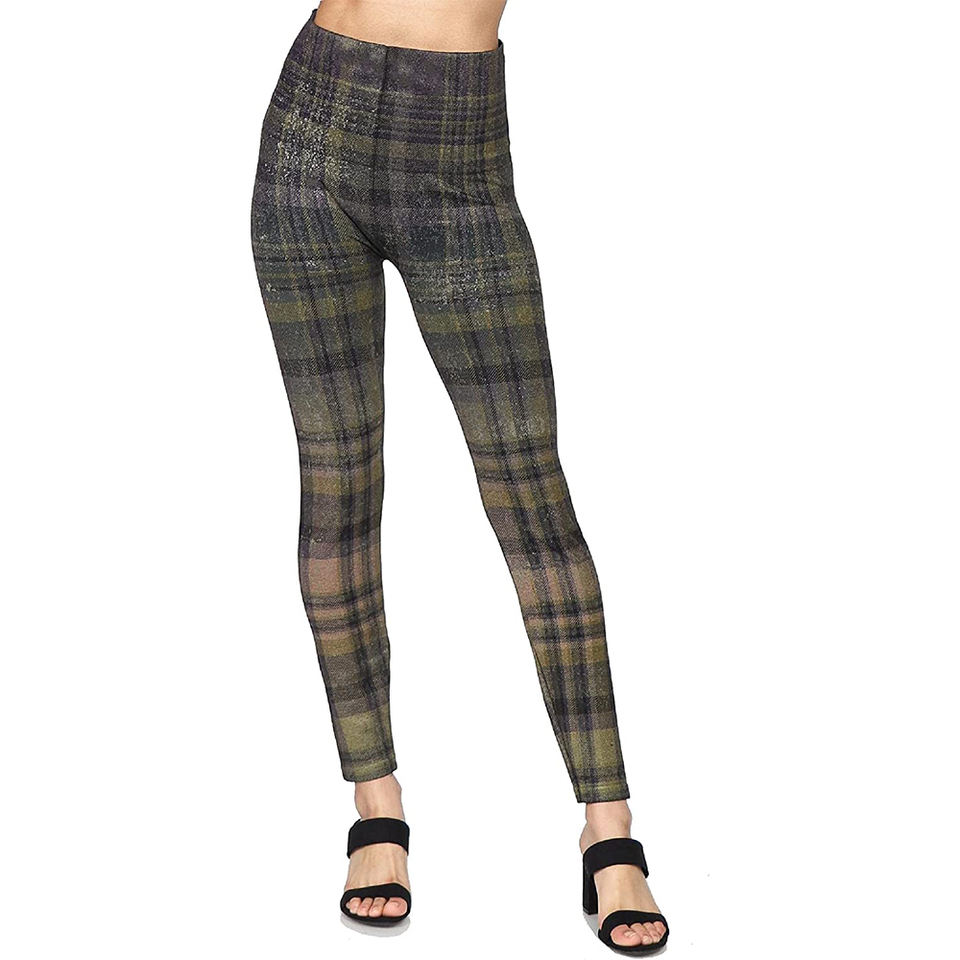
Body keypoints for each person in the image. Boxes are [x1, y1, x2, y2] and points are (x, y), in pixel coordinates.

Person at [250, 1, 669, 951]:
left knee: (531, 495)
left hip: (459, 139)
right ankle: (376, 806)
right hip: (311, 128)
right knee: (337, 483)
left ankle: (609, 827)